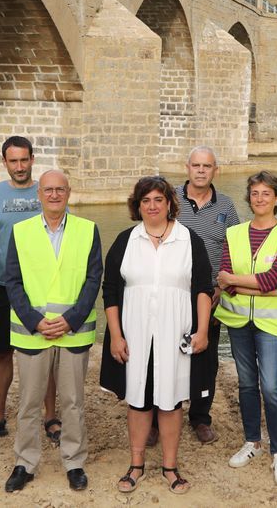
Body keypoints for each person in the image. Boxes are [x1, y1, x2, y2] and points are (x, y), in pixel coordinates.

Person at [100, 176, 214, 495]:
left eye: (158, 200)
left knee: (170, 400)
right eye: (145, 200)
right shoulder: (126, 240)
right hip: (135, 334)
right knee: (138, 399)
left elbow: (203, 288)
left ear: (169, 203)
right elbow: (110, 291)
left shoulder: (189, 240)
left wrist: (202, 330)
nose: (152, 206)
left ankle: (170, 467)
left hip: (174, 333)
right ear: (137, 206)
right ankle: (136, 465)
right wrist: (115, 335)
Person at [3, 170, 103, 493]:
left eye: (61, 189)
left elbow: (92, 280)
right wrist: (34, 320)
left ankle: (74, 461)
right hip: (33, 332)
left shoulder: (88, 230)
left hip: (73, 332)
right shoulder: (20, 232)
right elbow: (13, 281)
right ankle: (25, 462)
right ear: (39, 195)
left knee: (73, 401)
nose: (55, 195)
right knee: (29, 402)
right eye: (49, 189)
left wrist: (71, 319)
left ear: (69, 192)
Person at [0, 136, 59, 448]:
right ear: (4, 162)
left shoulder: (47, 190)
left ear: (33, 159)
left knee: (44, 352)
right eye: (13, 161)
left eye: (24, 160)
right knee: (2, 352)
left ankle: (50, 416)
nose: (19, 167)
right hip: (1, 286)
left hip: (40, 287)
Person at [215, 171, 277, 487]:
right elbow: (225, 280)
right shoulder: (233, 233)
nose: (260, 199)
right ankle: (252, 442)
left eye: (266, 193)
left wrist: (237, 282)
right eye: (255, 193)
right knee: (247, 384)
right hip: (238, 321)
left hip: (269, 324)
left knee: (272, 388)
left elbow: (274, 280)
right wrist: (252, 287)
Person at [155, 145, 240, 445]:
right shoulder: (170, 199)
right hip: (171, 293)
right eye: (196, 165)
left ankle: (200, 417)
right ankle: (157, 415)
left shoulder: (226, 207)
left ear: (215, 170)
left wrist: (222, 288)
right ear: (187, 168)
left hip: (211, 296)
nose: (201, 171)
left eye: (207, 166)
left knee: (205, 359)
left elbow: (234, 249)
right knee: (164, 354)